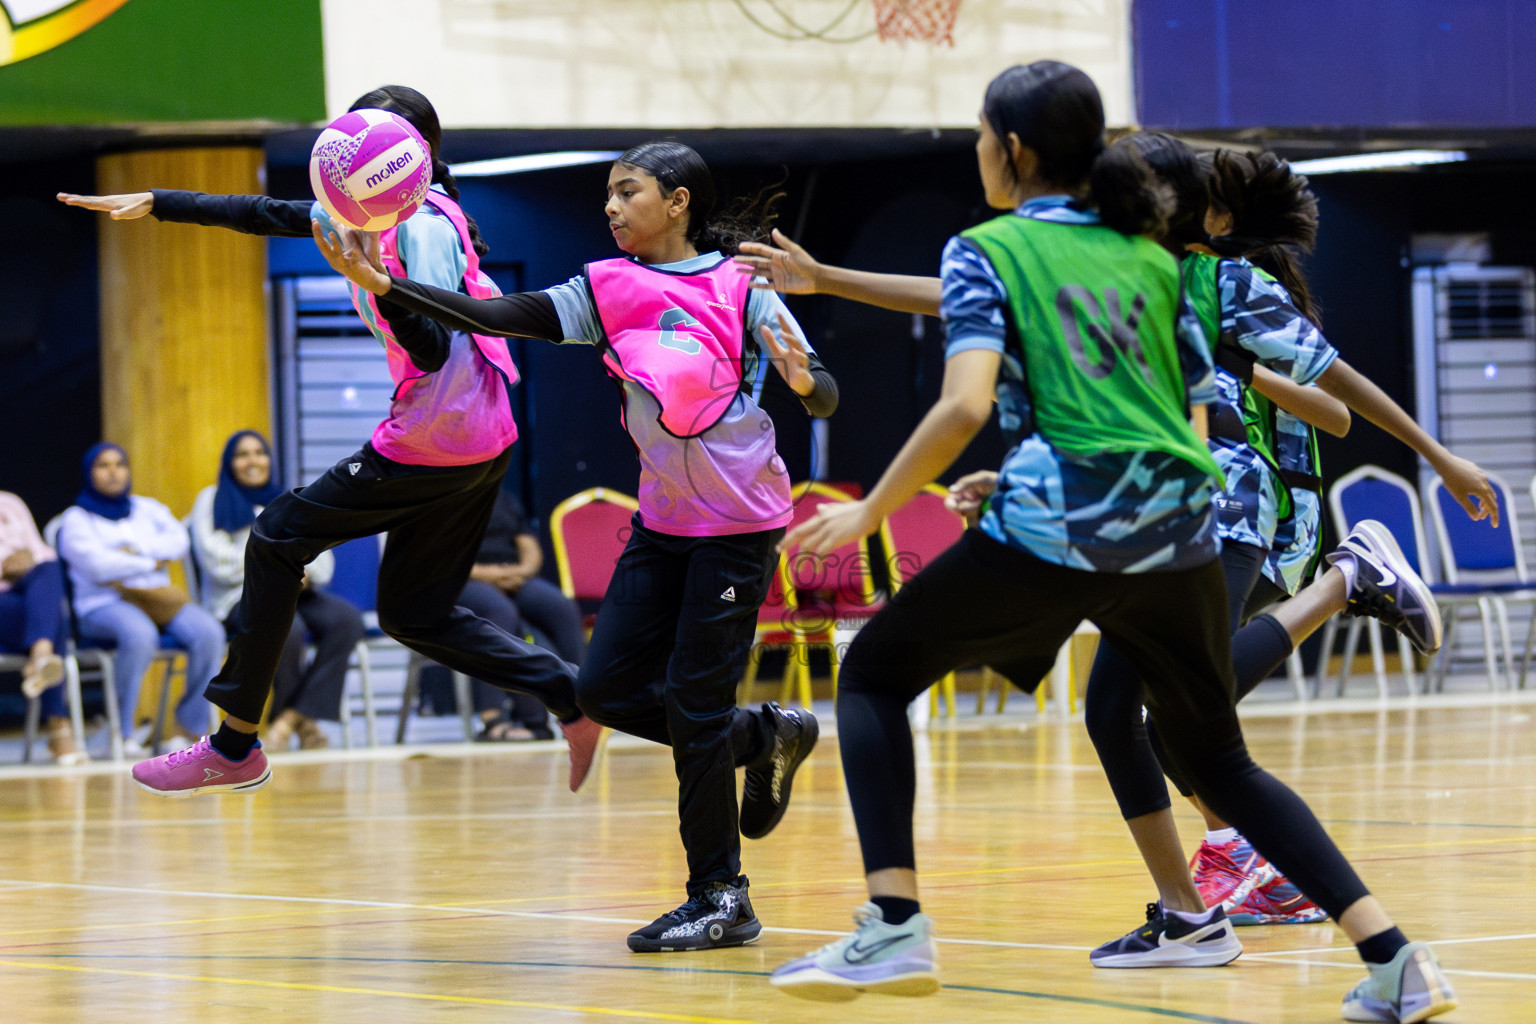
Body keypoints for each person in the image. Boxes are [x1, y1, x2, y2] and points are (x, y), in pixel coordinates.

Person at [764, 62, 1456, 1024]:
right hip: (1178, 533)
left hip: (1068, 529)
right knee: (1213, 756)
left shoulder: (991, 246)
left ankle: (893, 921)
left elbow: (965, 402)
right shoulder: (1161, 261)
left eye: (978, 135)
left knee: (875, 673)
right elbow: (1176, 411)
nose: (976, 150)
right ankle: (1395, 960)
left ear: (1014, 150)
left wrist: (873, 509)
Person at [317, 139, 833, 952]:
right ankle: (764, 735)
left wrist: (806, 381)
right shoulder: (606, 286)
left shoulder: (743, 287)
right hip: (661, 525)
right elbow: (495, 315)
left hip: (738, 530)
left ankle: (721, 897)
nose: (610, 207)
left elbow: (823, 390)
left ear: (678, 201)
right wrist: (389, 286)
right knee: (599, 692)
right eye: (607, 194)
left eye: (627, 192)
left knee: (694, 706)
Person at [60, 85, 601, 795]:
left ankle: (234, 745)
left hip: (438, 431)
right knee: (416, 612)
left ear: (412, 154)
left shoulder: (426, 225)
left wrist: (373, 283)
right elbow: (260, 212)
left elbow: (435, 347)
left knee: (278, 535)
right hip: (482, 432)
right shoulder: (355, 211)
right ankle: (568, 692)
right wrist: (158, 201)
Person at [190, 430, 366, 751]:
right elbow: (216, 559)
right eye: (242, 454)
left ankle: (289, 718)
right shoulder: (212, 499)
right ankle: (299, 722)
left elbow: (322, 559)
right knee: (288, 627)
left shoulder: (289, 499)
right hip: (241, 598)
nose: (253, 460)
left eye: (259, 452)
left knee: (347, 620)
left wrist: (300, 572)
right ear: (229, 463)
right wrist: (273, 569)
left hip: (296, 590)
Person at [56, 443, 225, 756]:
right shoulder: (75, 519)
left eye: (119, 464)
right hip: (103, 605)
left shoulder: (147, 508)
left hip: (157, 601)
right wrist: (149, 561)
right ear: (89, 473)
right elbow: (97, 566)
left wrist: (130, 554)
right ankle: (120, 733)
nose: (113, 472)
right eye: (103, 465)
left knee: (210, 633)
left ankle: (187, 727)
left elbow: (177, 541)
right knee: (139, 634)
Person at [452, 488, 582, 742]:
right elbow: (437, 557)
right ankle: (493, 715)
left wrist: (521, 571)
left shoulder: (502, 497)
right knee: (500, 611)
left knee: (561, 608)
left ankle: (580, 707)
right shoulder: (440, 495)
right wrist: (492, 575)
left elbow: (528, 544)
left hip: (512, 576)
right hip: (460, 579)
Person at [0, 490, 82, 764]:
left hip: (28, 595)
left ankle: (41, 653)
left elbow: (40, 550)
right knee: (51, 617)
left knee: (49, 567)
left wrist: (28, 561)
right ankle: (58, 729)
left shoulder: (10, 502)